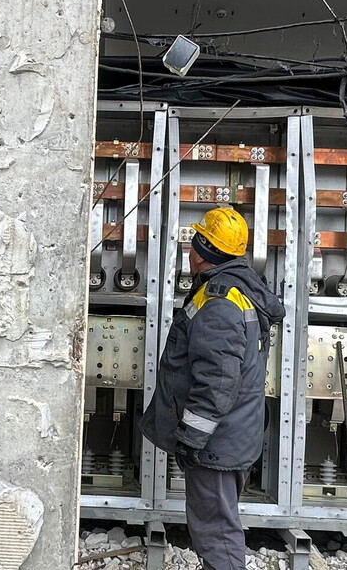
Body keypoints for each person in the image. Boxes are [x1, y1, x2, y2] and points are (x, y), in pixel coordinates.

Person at [141, 207, 285, 570]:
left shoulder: (218, 301)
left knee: (216, 532)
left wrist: (192, 437)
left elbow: (217, 380)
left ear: (201, 249)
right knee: (216, 524)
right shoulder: (238, 292)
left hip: (218, 442)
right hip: (232, 434)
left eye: (193, 243)